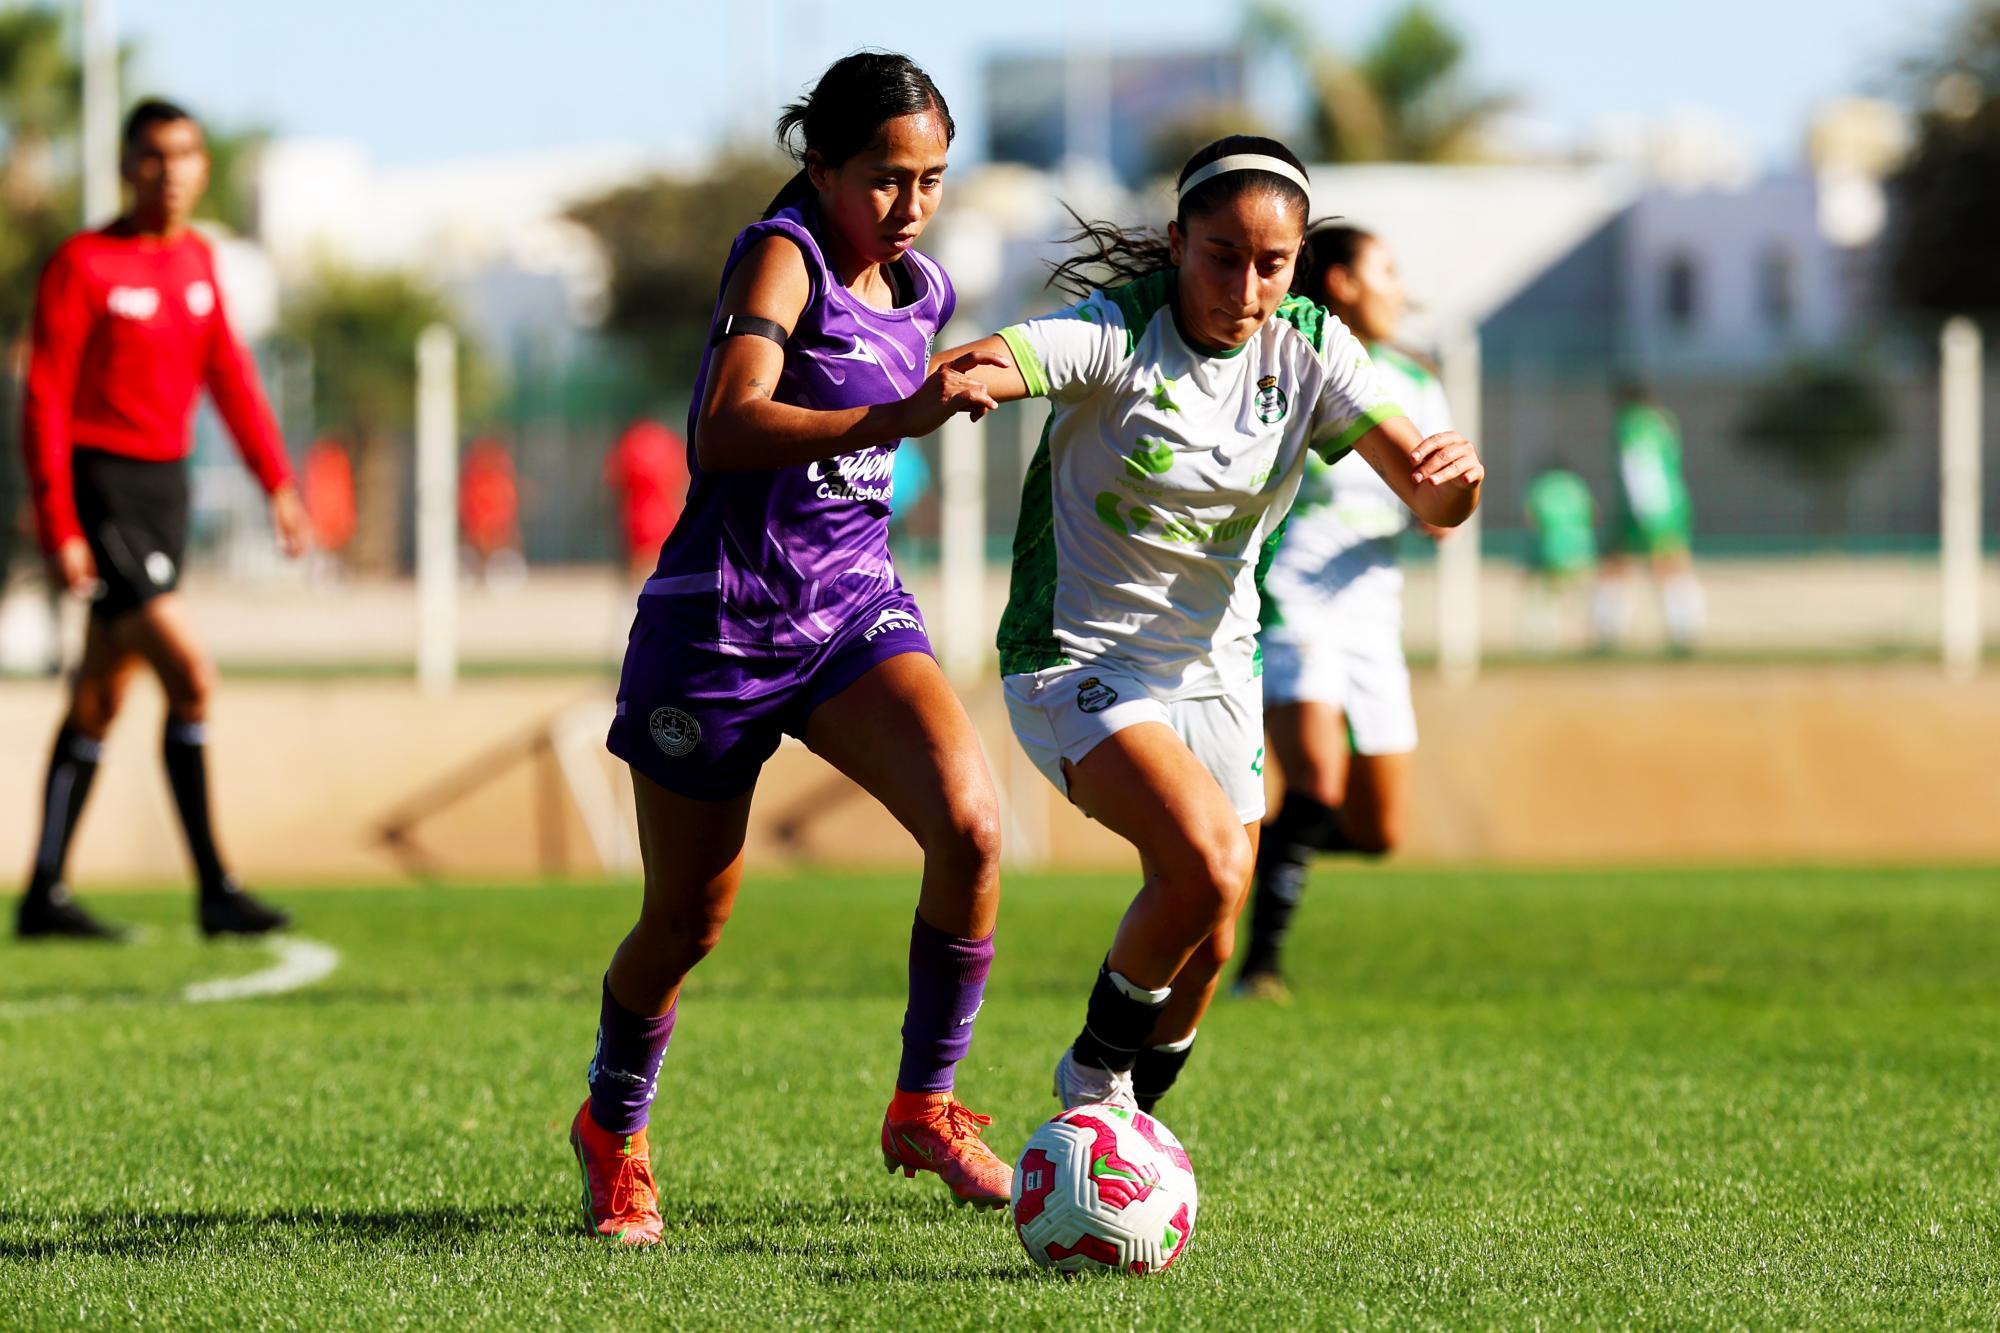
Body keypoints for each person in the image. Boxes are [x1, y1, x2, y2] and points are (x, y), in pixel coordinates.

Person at [932, 136, 1484, 1115]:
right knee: (1204, 862)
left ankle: (1128, 1132)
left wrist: (1450, 491)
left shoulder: (1308, 345)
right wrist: (963, 378)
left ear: (1297, 258)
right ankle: (1091, 1080)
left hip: (1214, 671)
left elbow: (1424, 491)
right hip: (1074, 662)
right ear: (1179, 241)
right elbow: (1002, 356)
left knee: (1211, 931)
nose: (1244, 283)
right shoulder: (1117, 331)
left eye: (1270, 262)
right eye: (1221, 254)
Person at [572, 52, 1012, 1246]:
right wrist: (902, 413)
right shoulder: (784, 254)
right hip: (718, 627)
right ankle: (614, 1128)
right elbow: (721, 427)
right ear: (816, 164)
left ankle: (924, 1102)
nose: (909, 204)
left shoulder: (924, 289)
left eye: (929, 179)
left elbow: (863, 453)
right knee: (686, 923)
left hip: (851, 611)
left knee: (971, 826)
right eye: (882, 177)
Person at [16, 99, 307, 941]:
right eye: (153, 154)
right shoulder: (84, 265)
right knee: (190, 674)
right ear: (125, 165)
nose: (169, 170)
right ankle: (217, 886)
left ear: (202, 167)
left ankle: (43, 895)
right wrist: (60, 523)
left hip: (165, 492)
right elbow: (44, 400)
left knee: (100, 699)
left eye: (185, 154)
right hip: (103, 491)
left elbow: (231, 378)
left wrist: (277, 482)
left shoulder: (197, 265)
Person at [1233, 224, 1449, 1000]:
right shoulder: (1294, 361)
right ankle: (1258, 966)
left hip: (1372, 615)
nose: (1400, 287)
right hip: (1292, 600)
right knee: (1318, 781)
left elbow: (1439, 490)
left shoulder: (1419, 384)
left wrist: (1442, 510)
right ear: (1344, 284)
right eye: (1386, 269)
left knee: (1377, 830)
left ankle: (1245, 851)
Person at [1593, 381, 1702, 654]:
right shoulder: (1665, 421)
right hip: (1673, 504)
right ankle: (1685, 631)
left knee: (1619, 566)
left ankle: (1609, 633)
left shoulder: (1631, 423)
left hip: (1644, 506)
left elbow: (1639, 465)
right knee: (1673, 565)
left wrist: (1644, 508)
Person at [1521, 461, 1597, 652]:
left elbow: (1531, 517)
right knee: (1578, 594)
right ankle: (1589, 636)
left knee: (1547, 593)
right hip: (1580, 546)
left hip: (1552, 546)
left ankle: (1545, 641)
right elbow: (1593, 513)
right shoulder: (1577, 485)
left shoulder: (1542, 485)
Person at [602, 418, 689, 581]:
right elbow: (679, 483)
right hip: (667, 522)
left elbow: (615, 483)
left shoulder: (629, 444)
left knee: (638, 583)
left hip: (637, 524)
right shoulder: (668, 442)